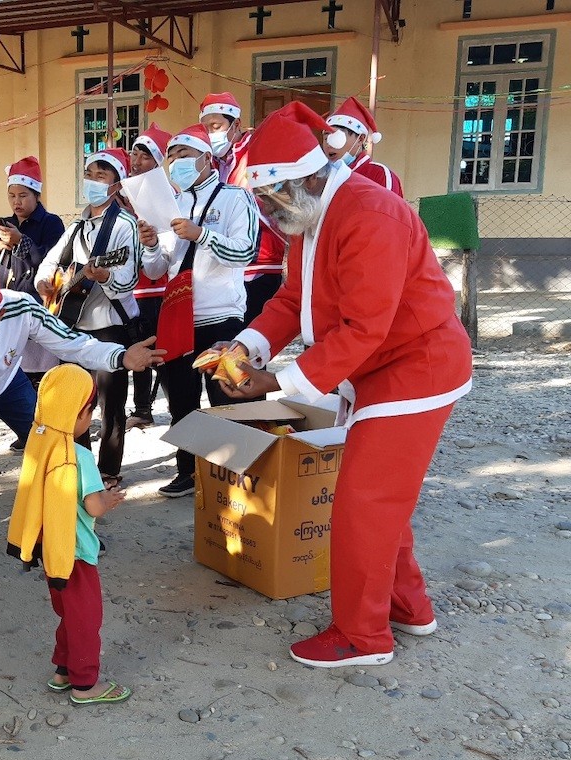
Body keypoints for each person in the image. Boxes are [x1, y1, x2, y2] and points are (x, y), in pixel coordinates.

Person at [222, 102, 473, 668]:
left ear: (308, 175)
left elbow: (366, 325)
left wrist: (278, 381)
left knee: (364, 501)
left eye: (271, 196)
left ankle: (363, 637)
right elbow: (292, 300)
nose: (267, 210)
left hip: (415, 365)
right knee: (381, 499)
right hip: (381, 366)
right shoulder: (310, 214)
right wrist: (248, 346)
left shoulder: (367, 214)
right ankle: (408, 608)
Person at [0, 261, 165, 583]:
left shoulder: (21, 308)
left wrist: (120, 356)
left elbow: (69, 342)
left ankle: (69, 528)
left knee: (56, 444)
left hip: (9, 384)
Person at [139, 124, 258, 498]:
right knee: (181, 401)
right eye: (172, 157)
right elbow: (159, 270)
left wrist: (201, 234)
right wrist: (153, 245)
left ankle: (233, 478)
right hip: (179, 317)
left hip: (221, 315)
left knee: (224, 398)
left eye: (184, 156)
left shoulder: (236, 198)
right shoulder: (172, 206)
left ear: (207, 159)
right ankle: (188, 472)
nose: (176, 163)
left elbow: (246, 251)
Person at [6, 364, 130, 704]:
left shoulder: (39, 443)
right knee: (87, 619)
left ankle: (63, 670)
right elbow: (92, 507)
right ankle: (85, 685)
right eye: (90, 410)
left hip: (50, 550)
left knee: (70, 613)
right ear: (81, 413)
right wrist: (109, 499)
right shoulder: (80, 457)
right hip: (76, 553)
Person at [34, 148, 142, 487]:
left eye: (102, 175)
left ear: (116, 184)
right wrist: (47, 283)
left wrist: (104, 276)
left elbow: (129, 278)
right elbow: (50, 263)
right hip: (75, 326)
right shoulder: (77, 225)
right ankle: (80, 464)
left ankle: (108, 470)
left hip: (110, 324)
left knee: (111, 405)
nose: (93, 181)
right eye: (90, 174)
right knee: (75, 401)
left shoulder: (125, 225)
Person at [0, 156, 66, 442]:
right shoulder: (3, 226)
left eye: (23, 196)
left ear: (37, 195)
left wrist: (22, 243)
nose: (17, 202)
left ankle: (49, 427)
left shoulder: (51, 224)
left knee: (43, 372)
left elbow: (52, 263)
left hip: (37, 304)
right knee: (16, 371)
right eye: (12, 196)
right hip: (8, 306)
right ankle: (27, 427)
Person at [198, 91, 288, 326]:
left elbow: (282, 203)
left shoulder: (261, 153)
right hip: (220, 265)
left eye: (216, 126)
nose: (210, 134)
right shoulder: (210, 163)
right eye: (205, 127)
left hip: (259, 262)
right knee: (222, 346)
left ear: (235, 124)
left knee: (250, 345)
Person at [124, 125, 173, 430]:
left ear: (157, 162)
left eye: (144, 156)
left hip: (159, 287)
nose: (136, 161)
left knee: (163, 351)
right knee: (139, 350)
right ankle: (142, 408)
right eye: (134, 154)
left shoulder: (165, 195)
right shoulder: (124, 194)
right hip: (131, 289)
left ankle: (179, 408)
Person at [323, 96, 404, 197]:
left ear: (360, 139)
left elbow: (389, 210)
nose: (329, 144)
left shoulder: (378, 174)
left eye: (337, 137)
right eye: (326, 137)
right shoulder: (321, 177)